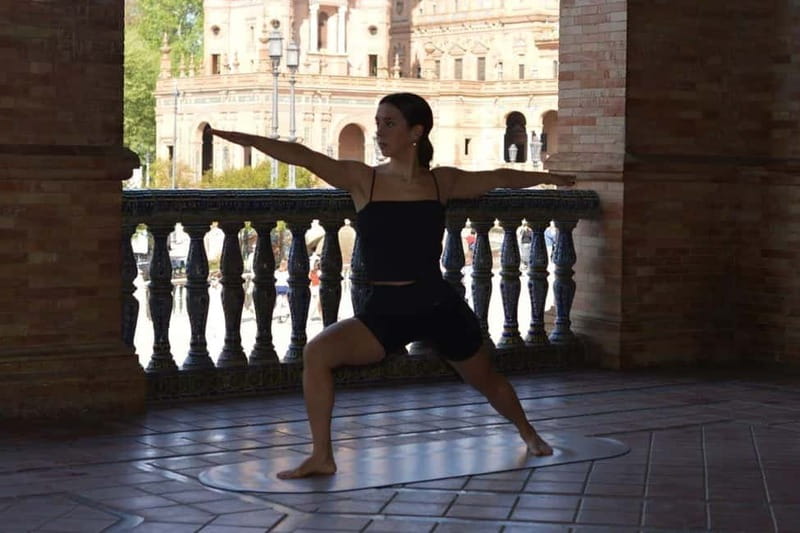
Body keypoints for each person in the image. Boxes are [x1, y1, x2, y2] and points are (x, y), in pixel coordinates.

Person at [210, 92, 575, 479]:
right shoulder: (362, 178)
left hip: (436, 302)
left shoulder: (441, 181)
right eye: (378, 122)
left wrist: (549, 178)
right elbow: (303, 156)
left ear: (416, 132)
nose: (379, 131)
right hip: (386, 308)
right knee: (317, 353)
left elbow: (500, 178)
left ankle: (529, 433)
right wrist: (247, 139)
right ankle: (322, 455)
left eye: (390, 123)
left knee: (484, 378)